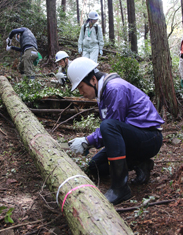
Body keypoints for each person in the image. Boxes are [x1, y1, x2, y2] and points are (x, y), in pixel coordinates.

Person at [67, 57, 164, 205]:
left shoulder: (114, 88)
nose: (81, 92)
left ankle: (120, 188)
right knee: (96, 166)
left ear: (93, 80)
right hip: (134, 139)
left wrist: (88, 141)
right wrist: (89, 142)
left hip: (150, 137)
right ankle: (141, 163)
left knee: (108, 126)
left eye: (81, 87)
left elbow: (112, 125)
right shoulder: (104, 92)